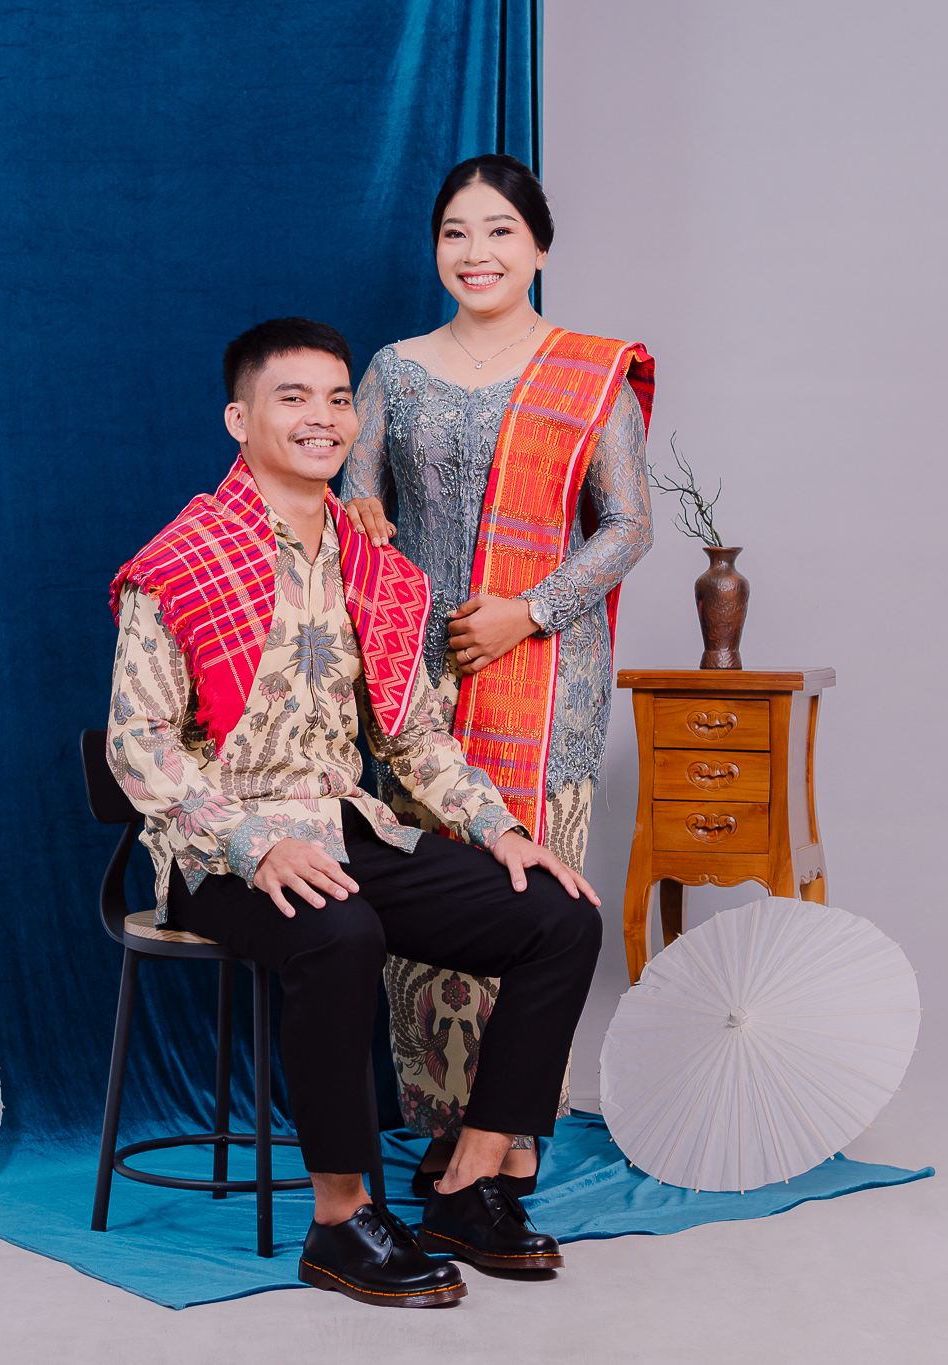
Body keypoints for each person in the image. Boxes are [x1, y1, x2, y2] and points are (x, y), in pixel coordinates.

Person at [106, 317, 604, 1309]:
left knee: (558, 914)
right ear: (239, 419)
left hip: (342, 828)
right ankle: (340, 1221)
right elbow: (138, 744)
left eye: (338, 399)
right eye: (292, 397)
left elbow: (413, 737)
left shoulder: (373, 565)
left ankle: (465, 1186)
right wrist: (252, 843)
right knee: (341, 931)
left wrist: (499, 829)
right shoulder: (180, 559)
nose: (323, 418)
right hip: (212, 854)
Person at [340, 155, 654, 1194]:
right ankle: (444, 1125)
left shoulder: (587, 373)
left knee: (534, 888)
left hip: (547, 671)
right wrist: (361, 513)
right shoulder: (393, 369)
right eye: (455, 233)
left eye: (499, 231)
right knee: (430, 896)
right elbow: (350, 496)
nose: (475, 253)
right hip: (413, 678)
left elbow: (628, 525)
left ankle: (512, 1129)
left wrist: (529, 611)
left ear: (540, 246)